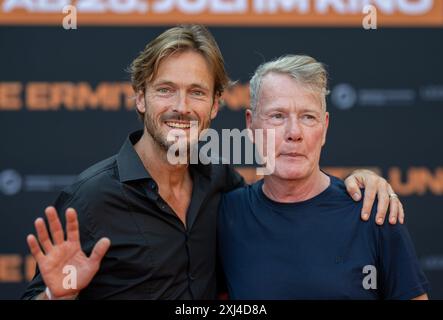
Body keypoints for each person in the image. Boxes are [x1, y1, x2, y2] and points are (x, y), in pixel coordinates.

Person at [23, 25, 403, 300]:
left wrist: (365, 180)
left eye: (197, 92)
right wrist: (57, 297)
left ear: (216, 105)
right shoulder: (90, 199)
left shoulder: (224, 187)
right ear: (140, 98)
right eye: (165, 90)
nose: (181, 107)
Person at [217, 54, 429, 300]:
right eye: (277, 116)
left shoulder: (373, 211)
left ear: (325, 128)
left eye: (308, 117)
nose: (294, 133)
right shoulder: (226, 216)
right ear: (251, 126)